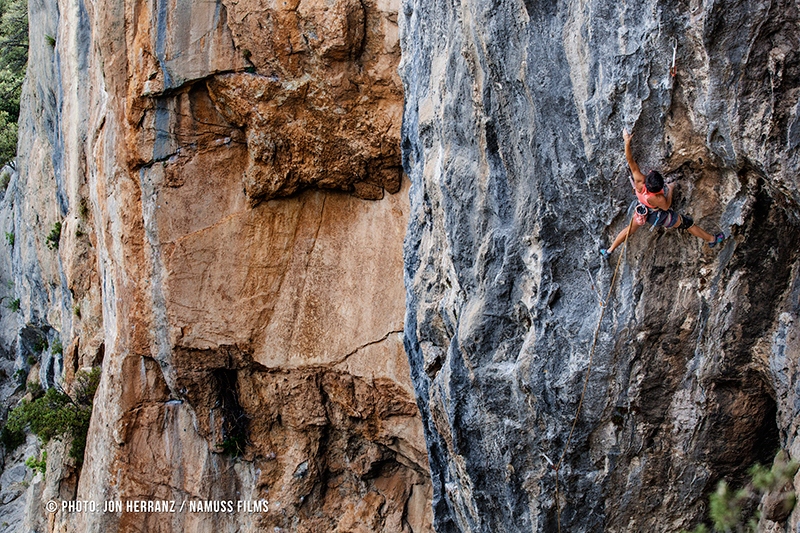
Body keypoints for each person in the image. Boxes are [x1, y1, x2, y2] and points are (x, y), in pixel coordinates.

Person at [600, 129, 724, 257]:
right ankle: (712, 239)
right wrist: (670, 189)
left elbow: (630, 160)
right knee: (686, 223)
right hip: (656, 215)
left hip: (642, 209)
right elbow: (666, 206)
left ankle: (609, 251)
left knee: (629, 230)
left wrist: (627, 142)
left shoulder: (639, 181)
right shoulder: (657, 198)